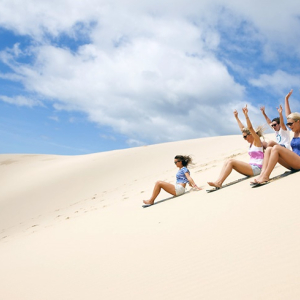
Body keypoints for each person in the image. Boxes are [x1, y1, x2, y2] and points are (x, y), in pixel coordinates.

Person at [207, 105, 264, 189]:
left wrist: (246, 115)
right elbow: (243, 129)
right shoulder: (251, 144)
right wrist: (236, 117)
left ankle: (219, 183)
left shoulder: (257, 141)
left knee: (231, 161)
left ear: (250, 135)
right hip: (251, 167)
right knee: (228, 161)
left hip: (257, 169)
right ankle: (218, 180)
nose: (244, 139)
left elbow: (250, 128)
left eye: (245, 137)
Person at [253, 89, 300, 184]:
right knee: (269, 149)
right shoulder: (294, 131)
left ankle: (266, 177)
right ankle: (262, 174)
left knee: (275, 148)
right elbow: (288, 115)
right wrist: (286, 99)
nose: (289, 126)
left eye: (291, 124)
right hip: (292, 162)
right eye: (288, 124)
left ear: (298, 122)